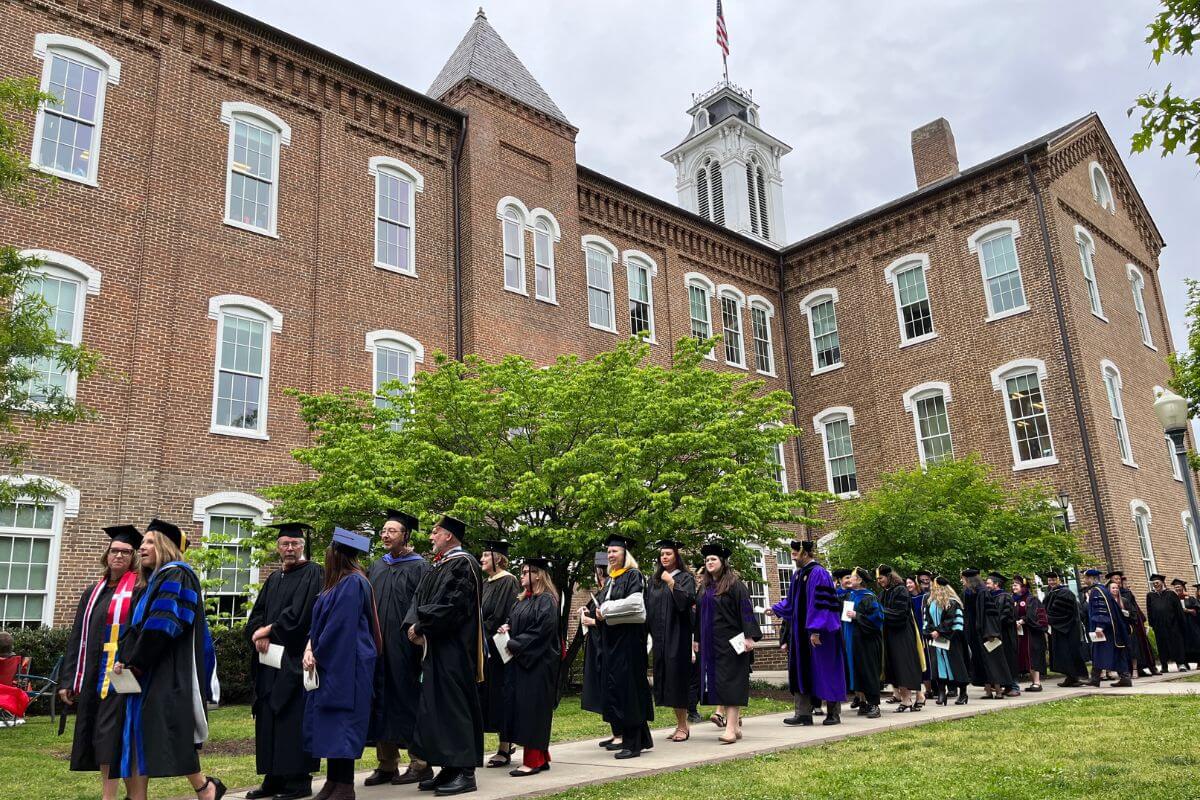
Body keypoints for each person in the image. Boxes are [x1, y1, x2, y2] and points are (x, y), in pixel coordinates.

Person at [113, 519, 223, 800]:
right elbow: (136, 628)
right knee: (134, 736)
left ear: (165, 546)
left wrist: (135, 663)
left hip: (164, 671)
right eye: (143, 542)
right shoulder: (152, 580)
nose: (142, 547)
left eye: (150, 541)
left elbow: (163, 626)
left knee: (166, 734)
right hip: (146, 669)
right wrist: (123, 659)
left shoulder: (177, 575)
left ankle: (205, 788)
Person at [60, 524, 143, 800]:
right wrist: (69, 679)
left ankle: (120, 796)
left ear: (133, 557)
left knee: (119, 737)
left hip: (122, 675)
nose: (118, 556)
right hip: (94, 675)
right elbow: (77, 638)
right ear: (106, 555)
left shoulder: (138, 590)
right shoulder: (92, 592)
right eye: (114, 550)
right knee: (102, 737)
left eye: (125, 552)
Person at [404, 515, 485, 795]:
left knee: (454, 707)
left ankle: (465, 772)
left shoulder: (464, 563)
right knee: (437, 709)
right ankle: (449, 767)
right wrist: (413, 626)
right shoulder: (439, 565)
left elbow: (453, 606)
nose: (431, 536)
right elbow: (420, 600)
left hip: (455, 649)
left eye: (435, 532)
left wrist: (422, 626)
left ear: (449, 535)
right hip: (437, 647)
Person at [302, 527, 381, 800]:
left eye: (329, 552)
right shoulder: (336, 584)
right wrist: (311, 645)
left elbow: (339, 627)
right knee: (331, 724)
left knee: (343, 723)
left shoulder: (353, 583)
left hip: (349, 663)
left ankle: (345, 787)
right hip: (334, 661)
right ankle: (333, 781)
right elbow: (321, 625)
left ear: (337, 555)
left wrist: (318, 651)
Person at [245, 522, 322, 800]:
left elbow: (301, 615)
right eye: (284, 544)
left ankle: (298, 781)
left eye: (294, 544)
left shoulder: (313, 573)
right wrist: (257, 633)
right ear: (278, 548)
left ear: (303, 546)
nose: (289, 549)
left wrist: (270, 630)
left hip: (293, 659)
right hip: (269, 660)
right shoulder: (274, 578)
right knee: (268, 716)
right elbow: (258, 612)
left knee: (292, 718)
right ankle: (273, 778)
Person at [365, 510, 432, 787]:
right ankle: (387, 763)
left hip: (406, 649)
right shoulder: (378, 565)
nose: (385, 535)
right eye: (383, 530)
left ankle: (420, 763)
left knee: (407, 701)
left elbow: (423, 605)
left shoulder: (420, 567)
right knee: (381, 700)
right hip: (378, 646)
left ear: (405, 536)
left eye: (392, 531)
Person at [589, 533, 654, 759]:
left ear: (625, 553)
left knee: (629, 692)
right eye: (608, 552)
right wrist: (599, 614)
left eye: (614, 551)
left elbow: (637, 606)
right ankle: (640, 738)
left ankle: (632, 743)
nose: (610, 555)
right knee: (621, 691)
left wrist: (605, 610)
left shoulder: (633, 575)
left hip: (629, 646)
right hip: (614, 645)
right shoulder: (613, 580)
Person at [768, 540, 845, 726]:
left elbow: (822, 605)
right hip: (800, 634)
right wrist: (775, 609)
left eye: (796, 553)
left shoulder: (819, 573)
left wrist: (816, 630)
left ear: (806, 553)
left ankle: (833, 713)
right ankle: (803, 713)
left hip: (820, 633)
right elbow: (791, 602)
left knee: (825, 670)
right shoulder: (797, 575)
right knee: (800, 670)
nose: (793, 557)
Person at [499, 557, 560, 778]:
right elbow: (514, 622)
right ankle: (541, 758)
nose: (522, 575)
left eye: (526, 572)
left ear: (538, 575)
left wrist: (514, 643)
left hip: (538, 665)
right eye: (522, 571)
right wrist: (507, 627)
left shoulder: (547, 600)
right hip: (521, 664)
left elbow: (542, 631)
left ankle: (532, 761)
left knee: (533, 711)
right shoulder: (522, 600)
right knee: (524, 709)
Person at [696, 542, 762, 744]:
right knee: (721, 684)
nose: (709, 562)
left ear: (723, 562)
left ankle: (731, 729)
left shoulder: (734, 585)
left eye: (713, 559)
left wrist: (750, 637)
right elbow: (698, 616)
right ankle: (735, 728)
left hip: (734, 642)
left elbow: (746, 610)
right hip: (712, 645)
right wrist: (696, 640)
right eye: (707, 560)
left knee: (732, 683)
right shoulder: (706, 587)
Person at [646, 539, 696, 742]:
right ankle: (679, 724)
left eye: (668, 554)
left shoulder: (685, 578)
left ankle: (684, 726)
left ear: (676, 556)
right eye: (662, 554)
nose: (664, 557)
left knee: (678, 679)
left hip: (678, 637)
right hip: (660, 638)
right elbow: (648, 606)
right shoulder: (654, 580)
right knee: (666, 680)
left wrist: (672, 583)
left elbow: (687, 602)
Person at [478, 539, 521, 769]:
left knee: (502, 696)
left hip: (497, 648)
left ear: (498, 558)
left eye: (486, 555)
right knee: (489, 698)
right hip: (484, 649)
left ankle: (505, 747)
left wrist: (478, 632)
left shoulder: (508, 581)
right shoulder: (486, 583)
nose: (482, 559)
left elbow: (501, 615)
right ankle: (504, 744)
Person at [877, 565, 923, 711]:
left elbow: (900, 613)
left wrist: (879, 610)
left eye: (881, 578)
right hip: (890, 634)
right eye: (877, 579)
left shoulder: (901, 590)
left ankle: (907, 699)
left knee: (903, 665)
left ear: (889, 576)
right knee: (895, 667)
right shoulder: (885, 593)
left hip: (902, 633)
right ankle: (913, 697)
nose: (879, 581)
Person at [962, 568, 1011, 699]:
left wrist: (990, 632)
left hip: (985, 632)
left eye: (963, 579)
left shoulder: (983, 592)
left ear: (969, 580)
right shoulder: (968, 593)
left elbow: (990, 614)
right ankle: (988, 691)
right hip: (974, 633)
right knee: (981, 661)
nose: (962, 582)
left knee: (992, 661)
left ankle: (999, 691)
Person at [843, 567, 883, 717]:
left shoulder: (869, 597)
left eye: (851, 577)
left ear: (859, 580)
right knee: (857, 671)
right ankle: (862, 702)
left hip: (866, 642)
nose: (849, 580)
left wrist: (857, 616)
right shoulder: (850, 595)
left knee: (868, 671)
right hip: (852, 642)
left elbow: (877, 620)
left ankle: (874, 705)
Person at [924, 576, 970, 705]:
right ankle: (941, 693)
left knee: (957, 666)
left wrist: (939, 631)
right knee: (938, 667)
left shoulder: (953, 602)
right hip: (936, 640)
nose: (932, 588)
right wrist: (929, 632)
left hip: (952, 639)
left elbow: (952, 620)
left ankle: (963, 693)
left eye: (934, 586)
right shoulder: (930, 603)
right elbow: (927, 620)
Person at [1082, 569, 1131, 687]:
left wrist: (1099, 626)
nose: (1084, 580)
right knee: (1114, 651)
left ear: (1091, 578)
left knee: (1099, 651)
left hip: (1105, 629)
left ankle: (1095, 679)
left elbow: (1101, 609)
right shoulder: (1103, 589)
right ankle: (1124, 678)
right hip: (1112, 628)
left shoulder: (1096, 591)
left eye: (1086, 578)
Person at [1042, 571, 1088, 686]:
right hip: (1059, 628)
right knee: (1063, 654)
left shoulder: (1065, 593)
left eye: (1054, 580)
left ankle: (1077, 677)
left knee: (1070, 652)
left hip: (1068, 629)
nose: (1051, 582)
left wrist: (1048, 618)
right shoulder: (1051, 593)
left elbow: (1061, 611)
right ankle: (1070, 677)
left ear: (1059, 580)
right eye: (1049, 580)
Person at [579, 552, 609, 724]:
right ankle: (615, 733)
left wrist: (592, 621)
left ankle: (618, 733)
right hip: (597, 644)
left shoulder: (609, 590)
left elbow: (610, 621)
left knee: (607, 687)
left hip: (605, 647)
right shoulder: (601, 592)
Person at [1112, 572, 1156, 676]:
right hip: (1117, 626)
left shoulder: (1127, 593)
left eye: (1119, 579)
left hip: (1130, 623)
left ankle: (1141, 668)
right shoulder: (1108, 595)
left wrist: (1138, 619)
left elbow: (1134, 608)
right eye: (1115, 579)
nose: (1118, 581)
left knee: (1136, 646)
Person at [1011, 575, 1047, 692]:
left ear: (1023, 586)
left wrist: (1022, 620)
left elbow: (1033, 615)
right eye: (1013, 585)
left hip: (1031, 633)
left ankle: (1037, 683)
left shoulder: (1031, 599)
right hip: (1020, 633)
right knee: (1025, 658)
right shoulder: (1013, 599)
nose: (1013, 587)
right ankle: (1033, 682)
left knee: (1033, 656)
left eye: (1016, 585)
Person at [986, 572, 1021, 697]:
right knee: (1000, 660)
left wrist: (994, 627)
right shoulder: (989, 596)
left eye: (989, 583)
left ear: (996, 584)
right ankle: (1005, 685)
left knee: (1009, 659)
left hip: (1006, 633)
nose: (987, 585)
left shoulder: (1005, 597)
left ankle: (1014, 687)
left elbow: (1006, 616)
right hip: (995, 633)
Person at [1146, 573, 1189, 673]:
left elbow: (1178, 609)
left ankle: (1181, 664)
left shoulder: (1171, 594)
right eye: (1154, 583)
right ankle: (1164, 666)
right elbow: (1149, 611)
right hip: (1159, 625)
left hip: (1173, 624)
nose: (1155, 584)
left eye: (1157, 582)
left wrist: (1181, 623)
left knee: (1176, 644)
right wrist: (1152, 624)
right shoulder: (1150, 595)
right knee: (1162, 645)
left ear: (1162, 582)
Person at [909, 571, 932, 708]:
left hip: (924, 631)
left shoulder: (925, 597)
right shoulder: (908, 598)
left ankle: (930, 689)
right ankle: (926, 689)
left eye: (910, 582)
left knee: (927, 660)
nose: (908, 585)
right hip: (914, 632)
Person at [1179, 580, 1200, 668]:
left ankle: (1199, 661)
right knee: (1184, 643)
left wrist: (1187, 610)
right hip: (1182, 624)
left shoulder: (1191, 599)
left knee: (1196, 642)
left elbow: (1196, 611)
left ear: (1184, 588)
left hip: (1192, 624)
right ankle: (1186, 663)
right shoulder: (1175, 599)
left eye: (1179, 587)